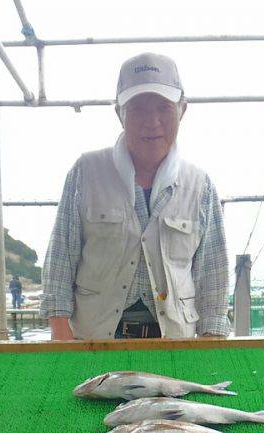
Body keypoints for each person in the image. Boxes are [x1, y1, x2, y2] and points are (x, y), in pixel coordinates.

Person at [41, 52, 230, 341]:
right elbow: (60, 261)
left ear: (182, 110)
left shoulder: (200, 185)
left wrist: (210, 342)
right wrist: (62, 339)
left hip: (175, 342)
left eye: (164, 108)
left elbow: (213, 277)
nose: (151, 122)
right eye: (138, 109)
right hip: (95, 340)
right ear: (119, 112)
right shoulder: (86, 172)